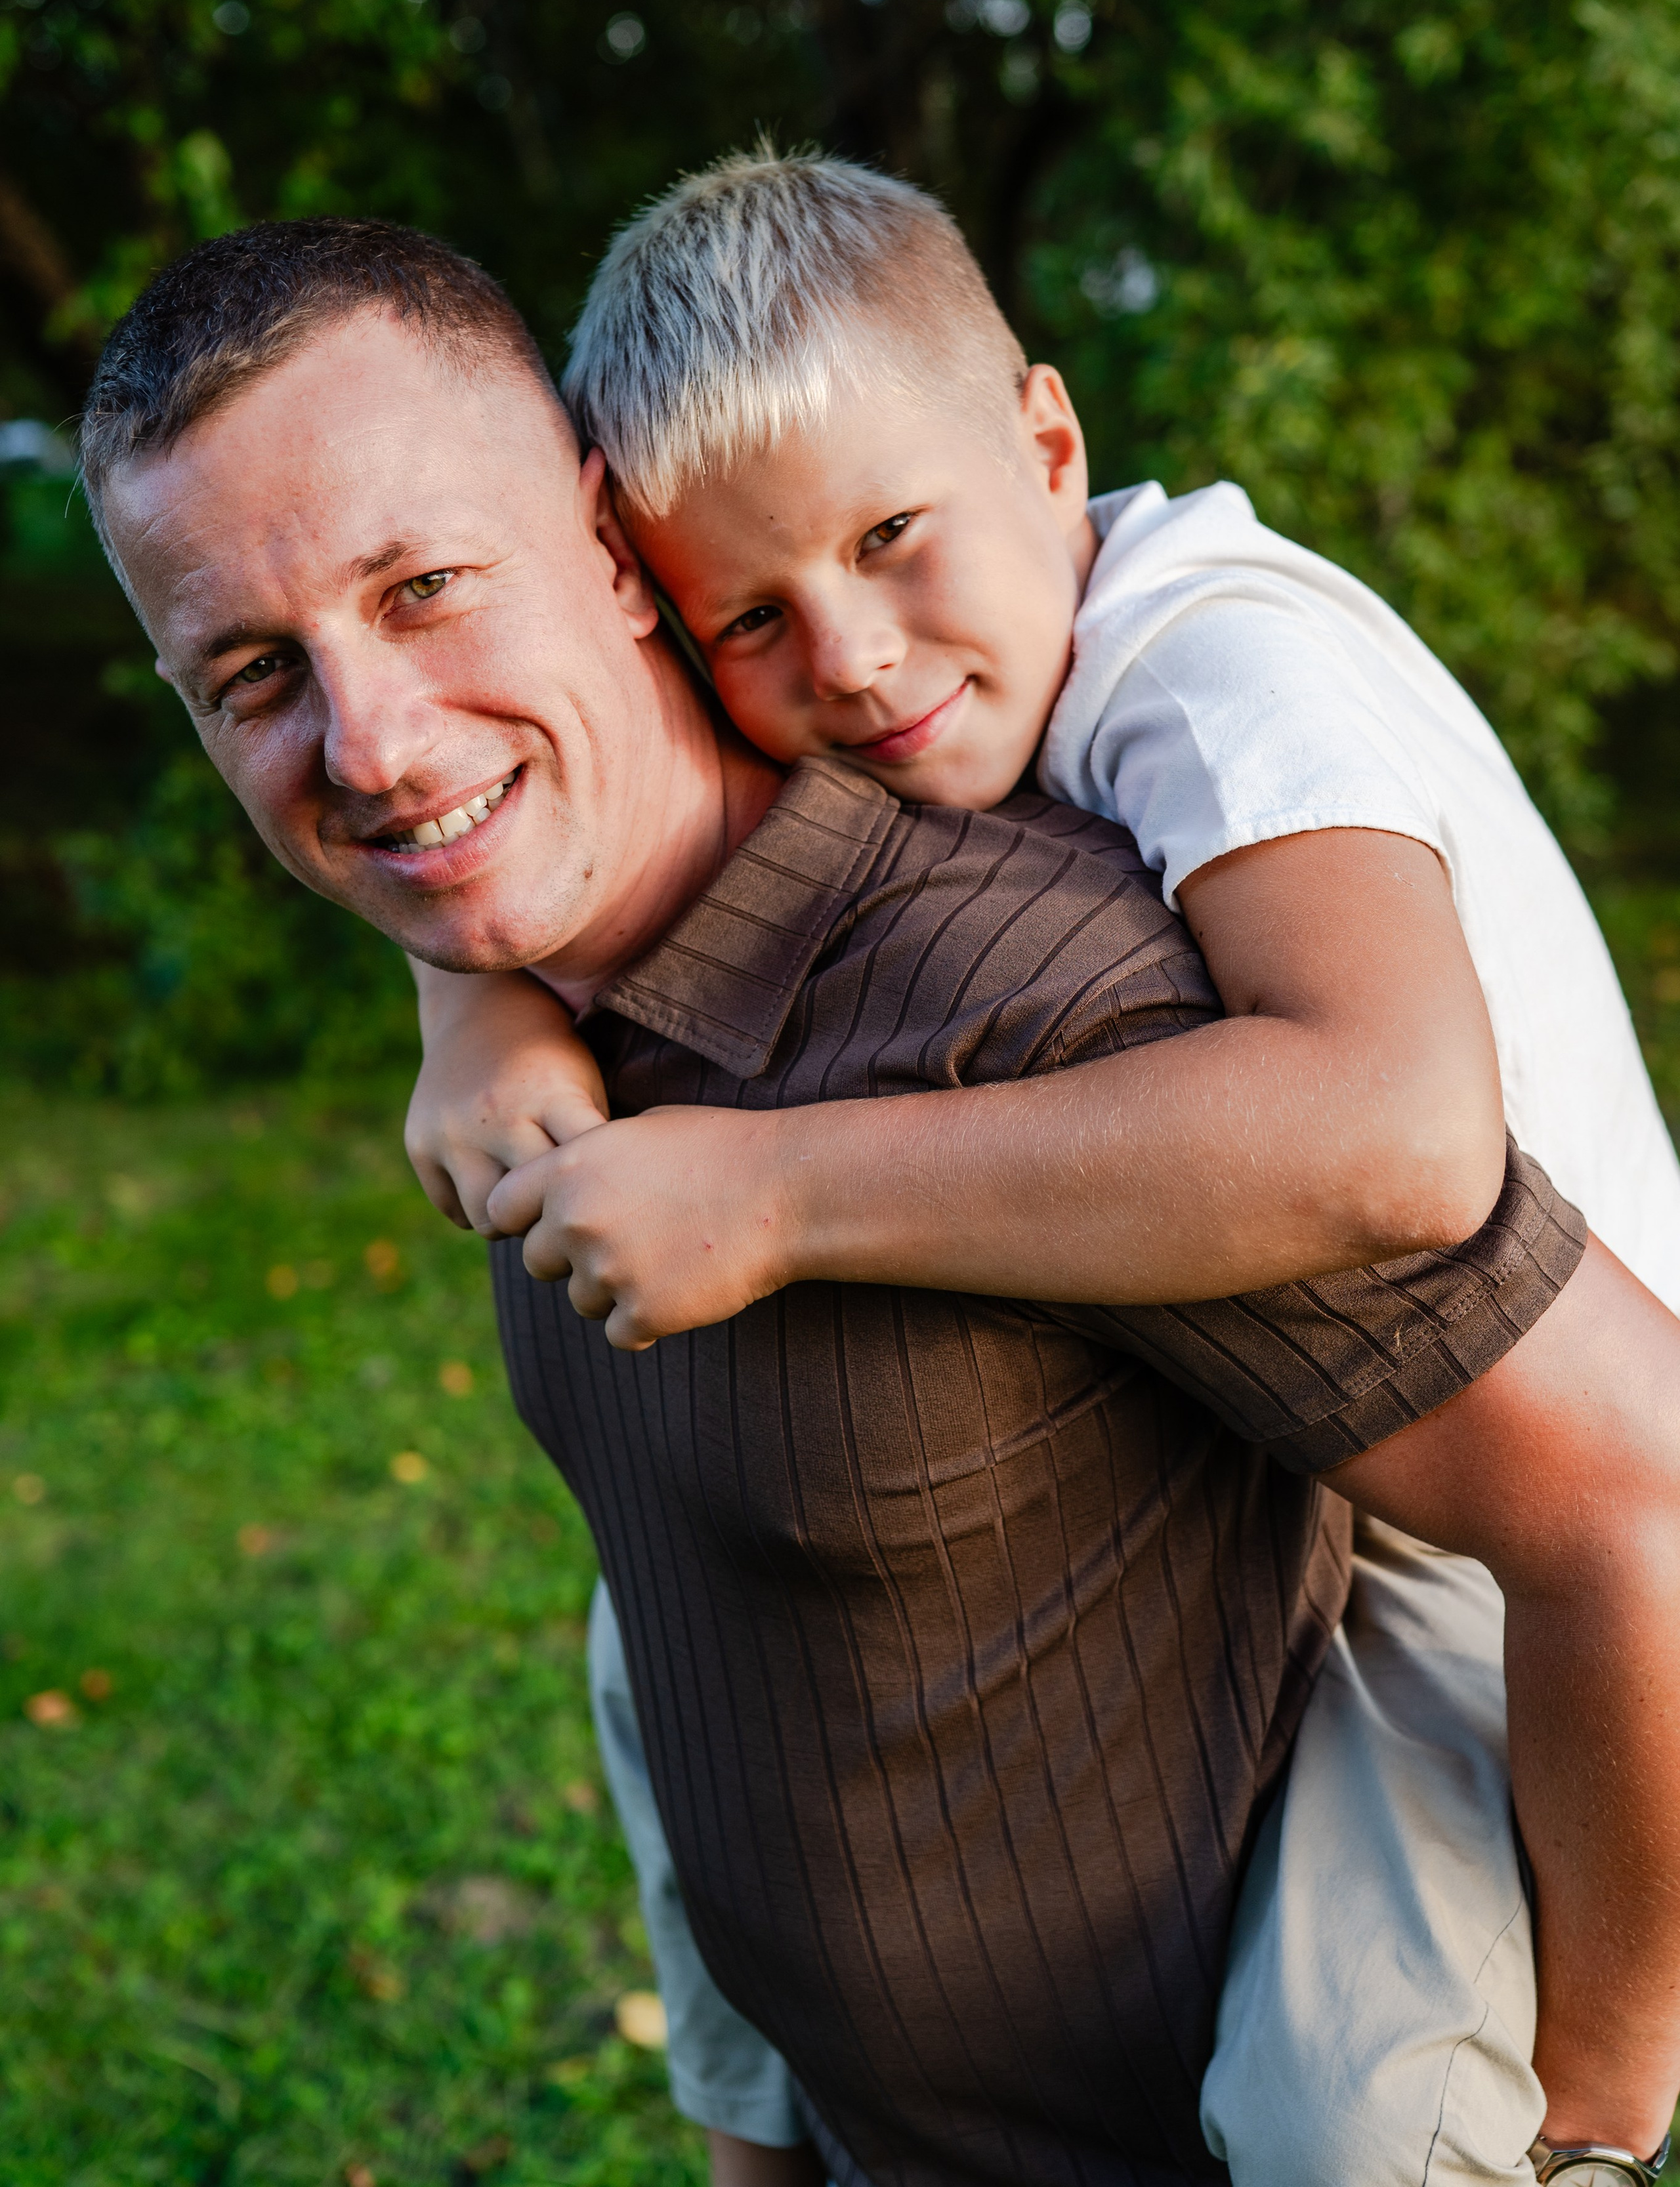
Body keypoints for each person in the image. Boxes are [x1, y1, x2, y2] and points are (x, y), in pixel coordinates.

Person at [78, 220, 1680, 2187]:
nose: (377, 743)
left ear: (602, 554)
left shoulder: (1128, 895)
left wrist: (1601, 2104)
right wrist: (467, 997)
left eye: (427, 587)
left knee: (1366, 2110)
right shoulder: (574, 999)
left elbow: (1544, 1351)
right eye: (253, 674)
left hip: (1513, 1496)